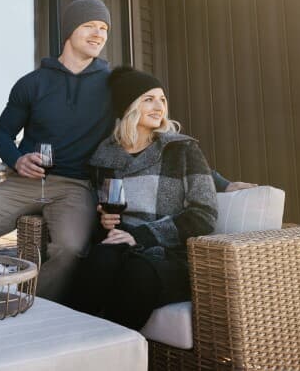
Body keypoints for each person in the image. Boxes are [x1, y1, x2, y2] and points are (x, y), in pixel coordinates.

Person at [0, 0, 114, 302]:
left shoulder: (113, 86)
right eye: (89, 25)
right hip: (26, 181)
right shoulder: (32, 83)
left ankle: (31, 307)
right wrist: (17, 159)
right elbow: (2, 134)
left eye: (104, 28)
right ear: (69, 30)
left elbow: (151, 127)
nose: (98, 34)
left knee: (71, 249)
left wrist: (219, 181)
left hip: (74, 186)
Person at [70, 67, 218, 330]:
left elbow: (203, 215)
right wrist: (104, 219)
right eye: (148, 99)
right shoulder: (104, 156)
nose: (159, 106)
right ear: (129, 106)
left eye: (162, 99)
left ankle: (112, 353)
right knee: (99, 261)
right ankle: (73, 343)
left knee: (137, 274)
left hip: (171, 254)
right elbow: (102, 213)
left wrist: (143, 236)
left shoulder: (182, 149)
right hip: (121, 245)